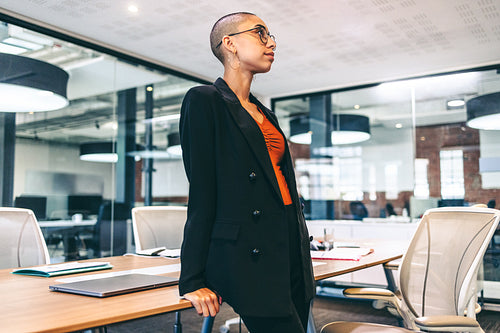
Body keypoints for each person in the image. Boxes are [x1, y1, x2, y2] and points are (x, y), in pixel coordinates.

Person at [178, 12, 315, 333]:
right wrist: (192, 278)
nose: (272, 42)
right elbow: (202, 192)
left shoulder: (265, 112)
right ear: (230, 44)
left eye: (271, 35)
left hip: (290, 242)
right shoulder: (204, 100)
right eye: (260, 33)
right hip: (247, 254)